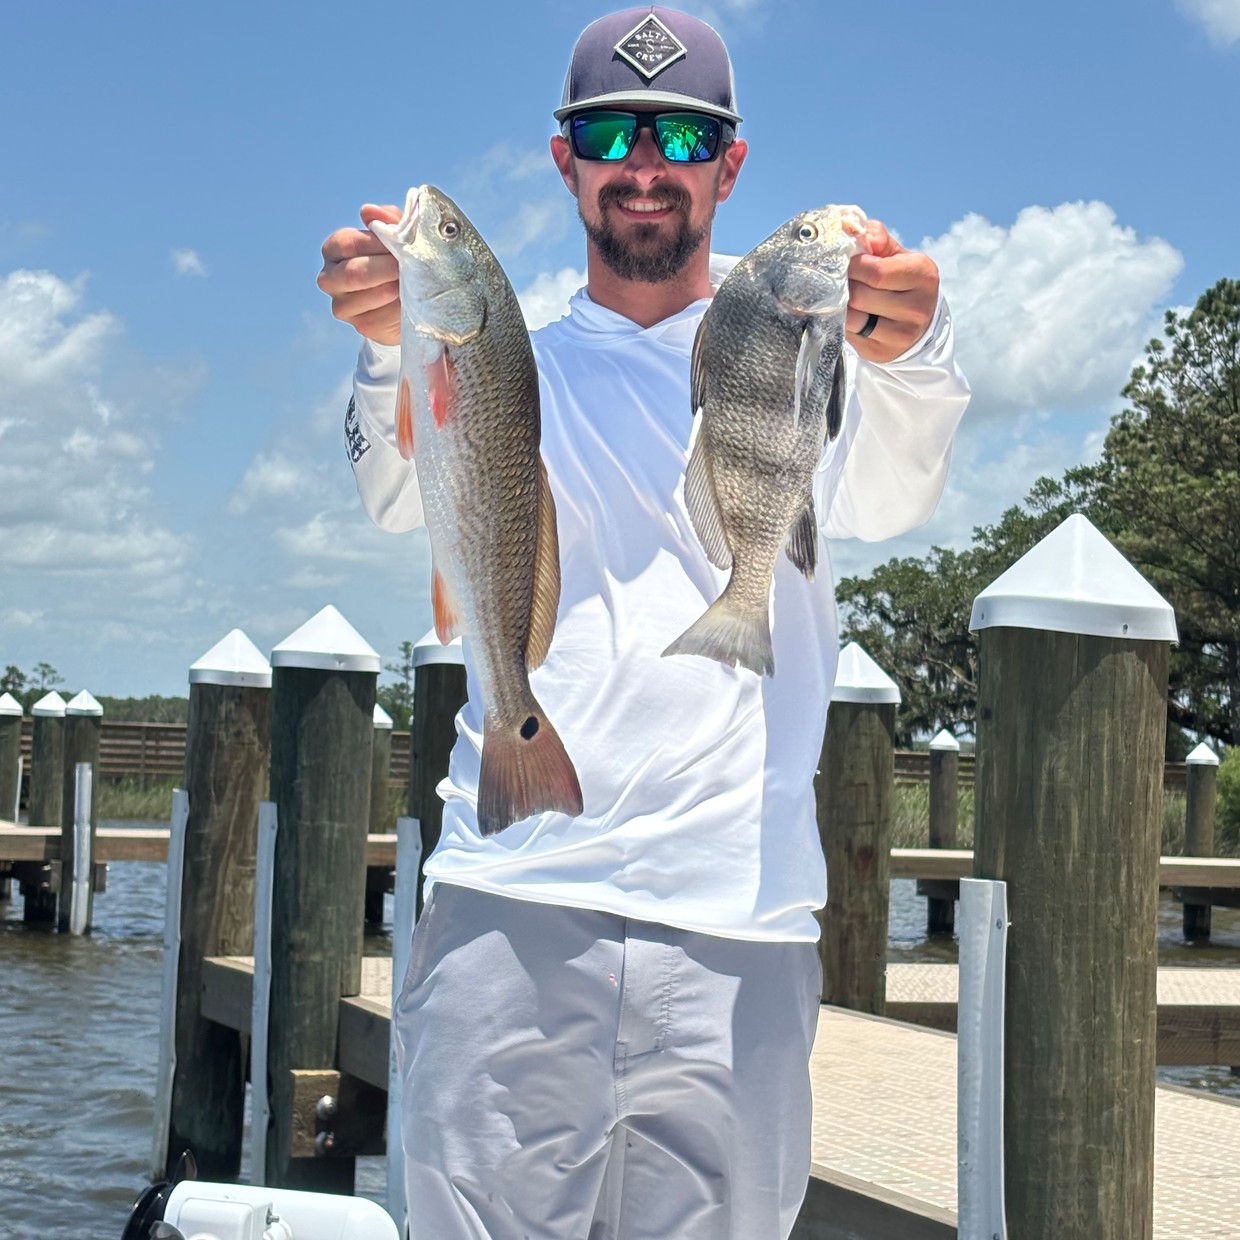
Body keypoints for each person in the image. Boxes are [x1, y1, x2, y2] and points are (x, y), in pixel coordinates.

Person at [318, 7, 969, 1238]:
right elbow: (394, 485)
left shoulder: (797, 343)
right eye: (611, 131)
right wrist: (381, 348)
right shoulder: (507, 351)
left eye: (680, 133)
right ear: (565, 162)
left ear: (728, 164)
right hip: (512, 897)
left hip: (739, 919)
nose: (645, 161)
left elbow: (895, 487)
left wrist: (916, 342)